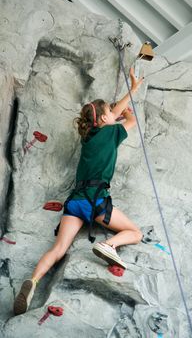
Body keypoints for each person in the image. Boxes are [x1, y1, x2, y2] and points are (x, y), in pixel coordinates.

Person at [13, 68, 143, 316]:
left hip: (75, 202)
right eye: (109, 114)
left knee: (58, 249)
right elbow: (130, 120)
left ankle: (33, 280)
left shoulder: (90, 136)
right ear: (104, 120)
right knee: (134, 232)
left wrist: (124, 100)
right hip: (96, 203)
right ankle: (110, 245)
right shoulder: (111, 132)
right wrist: (130, 101)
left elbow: (110, 114)